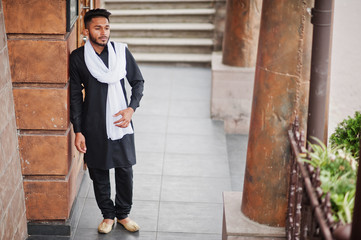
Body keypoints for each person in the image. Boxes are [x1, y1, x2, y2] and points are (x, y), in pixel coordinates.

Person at [69, 8, 144, 234]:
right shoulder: (78, 58)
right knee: (98, 171)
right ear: (86, 30)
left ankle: (123, 214)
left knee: (124, 170)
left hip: (121, 123)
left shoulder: (121, 52)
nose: (104, 32)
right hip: (93, 124)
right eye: (98, 28)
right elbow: (74, 96)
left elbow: (138, 82)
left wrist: (131, 109)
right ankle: (107, 215)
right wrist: (79, 130)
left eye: (107, 27)